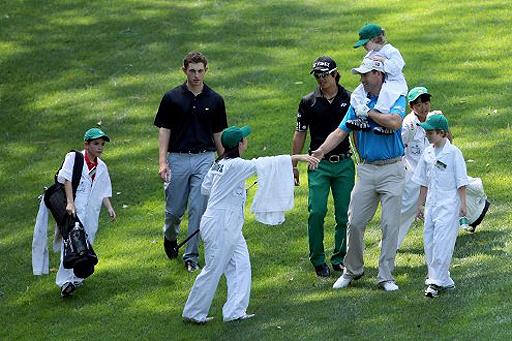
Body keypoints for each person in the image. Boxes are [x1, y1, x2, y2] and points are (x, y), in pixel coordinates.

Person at [182, 126, 319, 324]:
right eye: (244, 139)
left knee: (241, 265)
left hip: (226, 223)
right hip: (222, 224)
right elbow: (263, 164)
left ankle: (235, 312)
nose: (246, 141)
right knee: (214, 268)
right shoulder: (235, 165)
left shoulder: (218, 164)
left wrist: (234, 190)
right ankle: (193, 312)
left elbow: (206, 189)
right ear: (239, 144)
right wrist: (298, 157)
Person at [312, 58, 406, 292]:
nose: (361, 80)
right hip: (366, 169)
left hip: (392, 169)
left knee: (390, 224)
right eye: (360, 75)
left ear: (379, 75)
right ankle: (352, 270)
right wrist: (321, 151)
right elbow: (340, 132)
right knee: (354, 222)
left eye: (366, 75)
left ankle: (385, 276)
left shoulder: (395, 96)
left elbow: (394, 123)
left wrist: (370, 113)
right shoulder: (358, 100)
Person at [154, 52, 228, 272]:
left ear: (206, 70)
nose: (196, 75)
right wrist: (162, 162)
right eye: (192, 70)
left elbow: (218, 133)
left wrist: (225, 162)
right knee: (175, 210)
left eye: (200, 70)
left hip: (204, 159)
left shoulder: (215, 100)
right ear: (184, 70)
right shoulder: (171, 98)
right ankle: (170, 236)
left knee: (198, 209)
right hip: (177, 158)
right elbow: (164, 130)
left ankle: (191, 256)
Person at [33, 128, 116, 297]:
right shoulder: (74, 158)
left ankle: (77, 278)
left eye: (102, 144)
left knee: (88, 239)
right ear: (86, 144)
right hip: (75, 207)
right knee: (73, 241)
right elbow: (67, 179)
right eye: (96, 144)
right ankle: (64, 282)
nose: (100, 147)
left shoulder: (102, 166)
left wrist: (109, 207)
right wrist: (70, 202)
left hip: (92, 211)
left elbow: (103, 190)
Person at [292, 56, 354, 278]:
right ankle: (318, 259)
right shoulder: (308, 101)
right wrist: (294, 163)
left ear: (335, 74)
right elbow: (300, 133)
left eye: (325, 75)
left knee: (344, 214)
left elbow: (355, 131)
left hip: (344, 163)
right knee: (316, 212)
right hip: (317, 164)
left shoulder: (350, 98)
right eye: (317, 75)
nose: (321, 79)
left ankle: (340, 258)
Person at [412, 114, 469, 298]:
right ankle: (444, 280)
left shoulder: (454, 153)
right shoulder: (427, 153)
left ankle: (434, 282)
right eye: (426, 132)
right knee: (429, 241)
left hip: (449, 204)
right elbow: (423, 182)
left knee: (442, 242)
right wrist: (420, 205)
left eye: (430, 132)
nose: (427, 135)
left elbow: (461, 181)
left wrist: (463, 204)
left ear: (442, 133)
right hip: (432, 204)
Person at [397, 87, 440, 248]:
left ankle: (441, 238)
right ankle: (390, 243)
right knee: (407, 210)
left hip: (433, 171)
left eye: (426, 102)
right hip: (412, 173)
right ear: (411, 106)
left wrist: (443, 123)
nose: (423, 107)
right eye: (419, 104)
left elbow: (446, 142)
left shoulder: (433, 119)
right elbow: (399, 148)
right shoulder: (408, 124)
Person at [347, 23, 408, 135]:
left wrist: (382, 60)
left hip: (393, 84)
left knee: (384, 99)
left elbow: (397, 68)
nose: (363, 46)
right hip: (379, 83)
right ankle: (362, 119)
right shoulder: (369, 55)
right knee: (356, 94)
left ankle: (385, 126)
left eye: (365, 43)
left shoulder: (390, 51)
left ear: (375, 39)